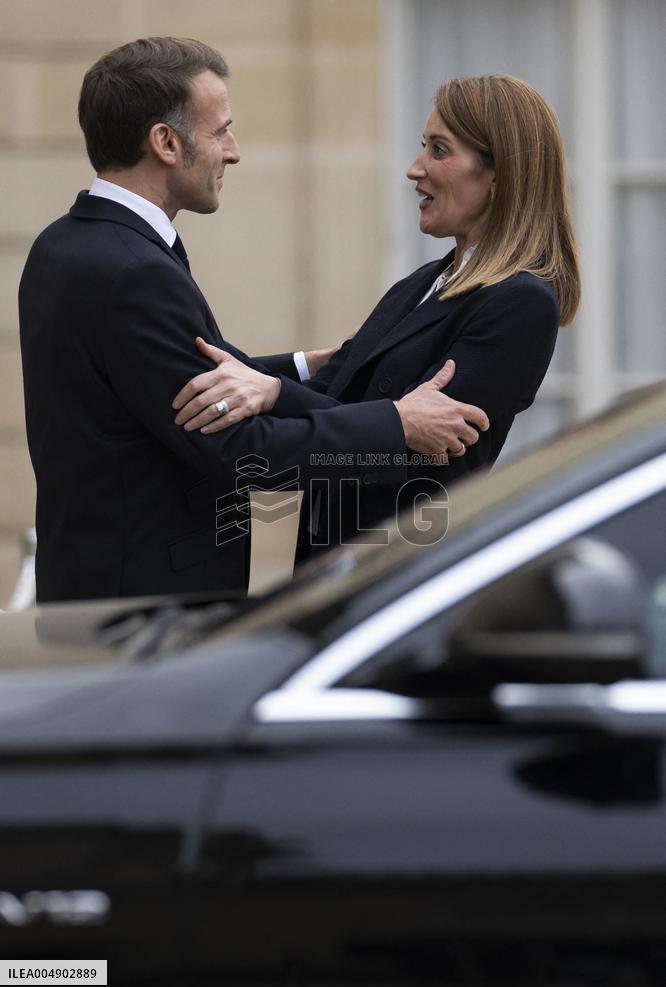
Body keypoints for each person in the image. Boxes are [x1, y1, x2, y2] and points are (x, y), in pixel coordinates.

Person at [18, 37, 488, 602]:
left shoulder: (66, 244)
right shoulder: (133, 270)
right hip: (145, 613)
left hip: (98, 590)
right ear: (166, 143)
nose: (233, 151)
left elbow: (174, 378)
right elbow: (243, 454)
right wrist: (396, 424)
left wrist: (303, 367)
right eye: (220, 132)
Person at [173, 74, 580, 558]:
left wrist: (275, 392)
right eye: (423, 147)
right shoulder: (418, 286)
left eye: (439, 150)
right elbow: (332, 397)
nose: (415, 169)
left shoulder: (520, 303)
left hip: (398, 564)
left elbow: (420, 457)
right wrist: (272, 384)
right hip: (331, 562)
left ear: (498, 175)